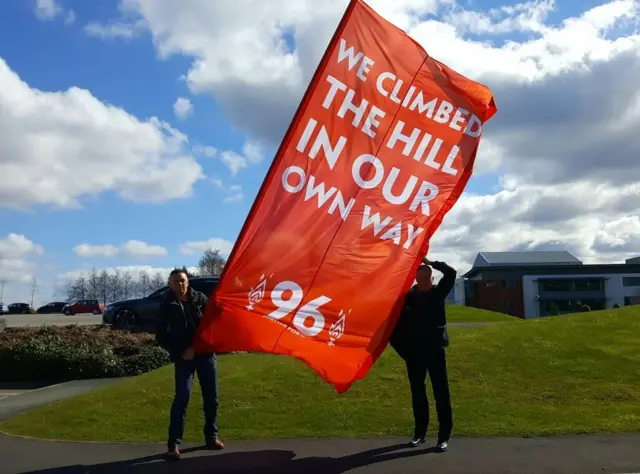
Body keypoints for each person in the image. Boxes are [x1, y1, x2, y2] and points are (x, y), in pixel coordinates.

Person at [155, 268, 224, 460]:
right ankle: (173, 445)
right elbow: (160, 335)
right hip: (184, 359)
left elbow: (212, 320)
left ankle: (211, 437)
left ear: (188, 282)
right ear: (170, 283)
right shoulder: (167, 304)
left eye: (183, 280)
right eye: (176, 281)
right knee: (182, 398)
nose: (181, 284)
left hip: (206, 356)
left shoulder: (199, 298)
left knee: (212, 398)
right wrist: (181, 351)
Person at [390, 256, 457, 452]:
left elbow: (451, 273)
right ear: (416, 279)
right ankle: (420, 433)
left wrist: (432, 263)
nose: (424, 282)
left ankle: (443, 436)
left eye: (427, 278)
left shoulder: (438, 293)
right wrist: (404, 351)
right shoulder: (409, 297)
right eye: (420, 279)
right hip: (414, 353)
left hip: (435, 351)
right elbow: (395, 324)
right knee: (418, 394)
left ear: (432, 279)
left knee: (441, 394)